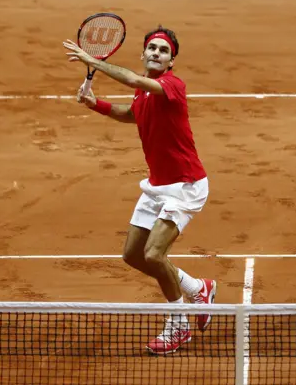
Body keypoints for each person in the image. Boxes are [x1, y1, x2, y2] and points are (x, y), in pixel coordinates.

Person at [63, 26, 216, 355]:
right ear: (144, 54)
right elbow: (133, 114)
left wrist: (93, 61)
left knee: (153, 254)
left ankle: (178, 325)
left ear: (171, 61)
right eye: (152, 49)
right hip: (157, 186)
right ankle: (196, 288)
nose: (157, 53)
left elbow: (133, 80)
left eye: (163, 50)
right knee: (132, 255)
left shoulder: (171, 86)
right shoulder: (145, 93)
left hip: (185, 186)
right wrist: (95, 104)